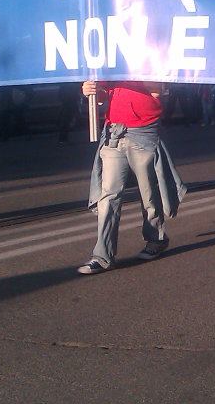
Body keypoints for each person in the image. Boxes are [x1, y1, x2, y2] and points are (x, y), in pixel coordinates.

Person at [77, 80, 186, 275]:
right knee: (109, 196)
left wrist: (149, 83)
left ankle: (156, 239)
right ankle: (103, 256)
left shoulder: (150, 56)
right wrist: (91, 91)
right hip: (113, 133)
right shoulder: (110, 60)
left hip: (143, 132)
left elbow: (157, 93)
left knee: (149, 193)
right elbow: (103, 95)